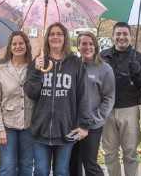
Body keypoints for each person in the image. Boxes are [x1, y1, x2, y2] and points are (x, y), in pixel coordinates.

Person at [23, 22, 91, 176]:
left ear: (65, 38)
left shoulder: (75, 63)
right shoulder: (39, 62)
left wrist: (84, 125)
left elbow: (83, 95)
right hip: (41, 127)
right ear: (47, 38)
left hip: (66, 129)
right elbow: (31, 93)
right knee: (41, 171)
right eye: (52, 34)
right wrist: (36, 70)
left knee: (61, 172)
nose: (55, 37)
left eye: (59, 34)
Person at [100, 22, 141, 176]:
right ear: (113, 36)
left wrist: (138, 72)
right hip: (107, 110)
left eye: (125, 34)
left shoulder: (140, 58)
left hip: (129, 109)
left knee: (130, 153)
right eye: (118, 34)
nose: (121, 37)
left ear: (130, 36)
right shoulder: (103, 56)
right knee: (110, 153)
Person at [70, 31, 115, 176]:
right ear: (78, 46)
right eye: (83, 43)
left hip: (92, 124)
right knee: (72, 162)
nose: (87, 47)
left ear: (96, 47)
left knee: (90, 164)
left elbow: (109, 98)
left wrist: (95, 119)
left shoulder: (105, 69)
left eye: (91, 44)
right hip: (72, 123)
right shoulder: (73, 66)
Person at [0, 31, 34, 176]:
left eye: (21, 43)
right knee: (8, 168)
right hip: (7, 126)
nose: (18, 46)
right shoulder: (1, 69)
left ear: (26, 46)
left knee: (27, 167)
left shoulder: (33, 68)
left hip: (29, 126)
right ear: (10, 47)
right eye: (14, 44)